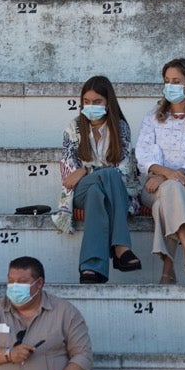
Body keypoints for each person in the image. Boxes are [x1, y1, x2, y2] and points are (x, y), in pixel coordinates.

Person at [137, 57, 185, 282]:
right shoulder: (153, 116)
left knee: (168, 197)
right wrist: (166, 174)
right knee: (170, 190)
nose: (170, 85)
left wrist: (168, 177)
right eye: (167, 80)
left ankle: (168, 269)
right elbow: (143, 155)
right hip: (152, 187)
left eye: (176, 81)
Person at [60, 75, 142, 284]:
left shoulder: (120, 127)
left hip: (108, 191)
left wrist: (87, 171)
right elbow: (70, 177)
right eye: (86, 102)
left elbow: (125, 172)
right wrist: (90, 174)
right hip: (79, 192)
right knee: (108, 175)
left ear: (108, 102)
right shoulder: (73, 128)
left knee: (99, 192)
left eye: (97, 102)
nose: (91, 106)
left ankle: (91, 267)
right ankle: (121, 248)